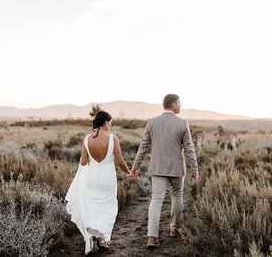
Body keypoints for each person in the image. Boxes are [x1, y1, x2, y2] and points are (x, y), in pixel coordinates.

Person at [130, 94, 199, 248]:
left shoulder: (152, 122)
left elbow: (143, 146)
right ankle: (174, 230)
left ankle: (152, 238)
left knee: (156, 200)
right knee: (177, 196)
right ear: (173, 105)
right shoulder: (182, 123)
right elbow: (189, 150)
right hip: (176, 168)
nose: (181, 106)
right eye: (180, 103)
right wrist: (195, 169)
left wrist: (135, 166)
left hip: (157, 167)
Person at [65, 111, 131, 255]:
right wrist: (128, 172)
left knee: (92, 207)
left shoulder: (87, 139)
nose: (110, 124)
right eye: (110, 122)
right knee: (108, 207)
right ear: (106, 122)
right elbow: (120, 161)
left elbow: (83, 162)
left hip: (92, 177)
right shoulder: (113, 139)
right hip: (107, 178)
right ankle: (103, 239)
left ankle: (94, 237)